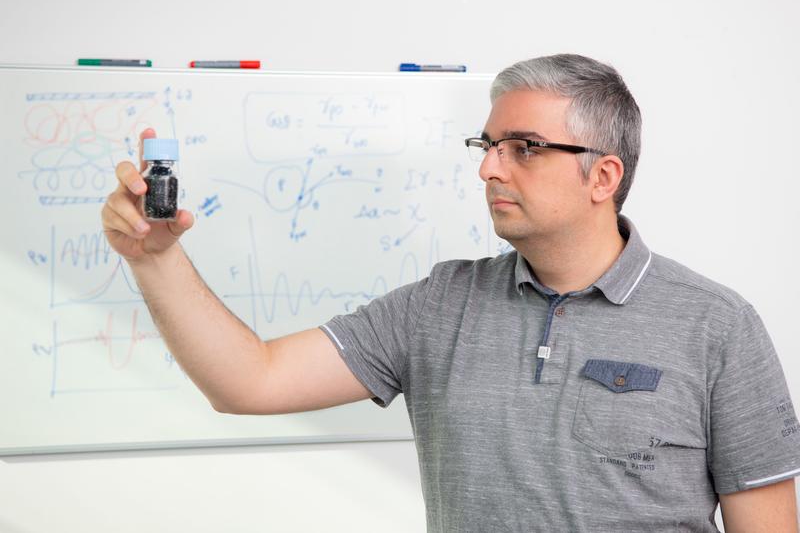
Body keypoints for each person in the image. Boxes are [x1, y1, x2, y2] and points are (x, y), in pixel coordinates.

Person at [102, 54, 800, 532]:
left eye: (524, 147)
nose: (489, 168)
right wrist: (154, 259)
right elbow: (249, 382)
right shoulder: (438, 307)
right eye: (487, 145)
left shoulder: (717, 327)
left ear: (602, 175)